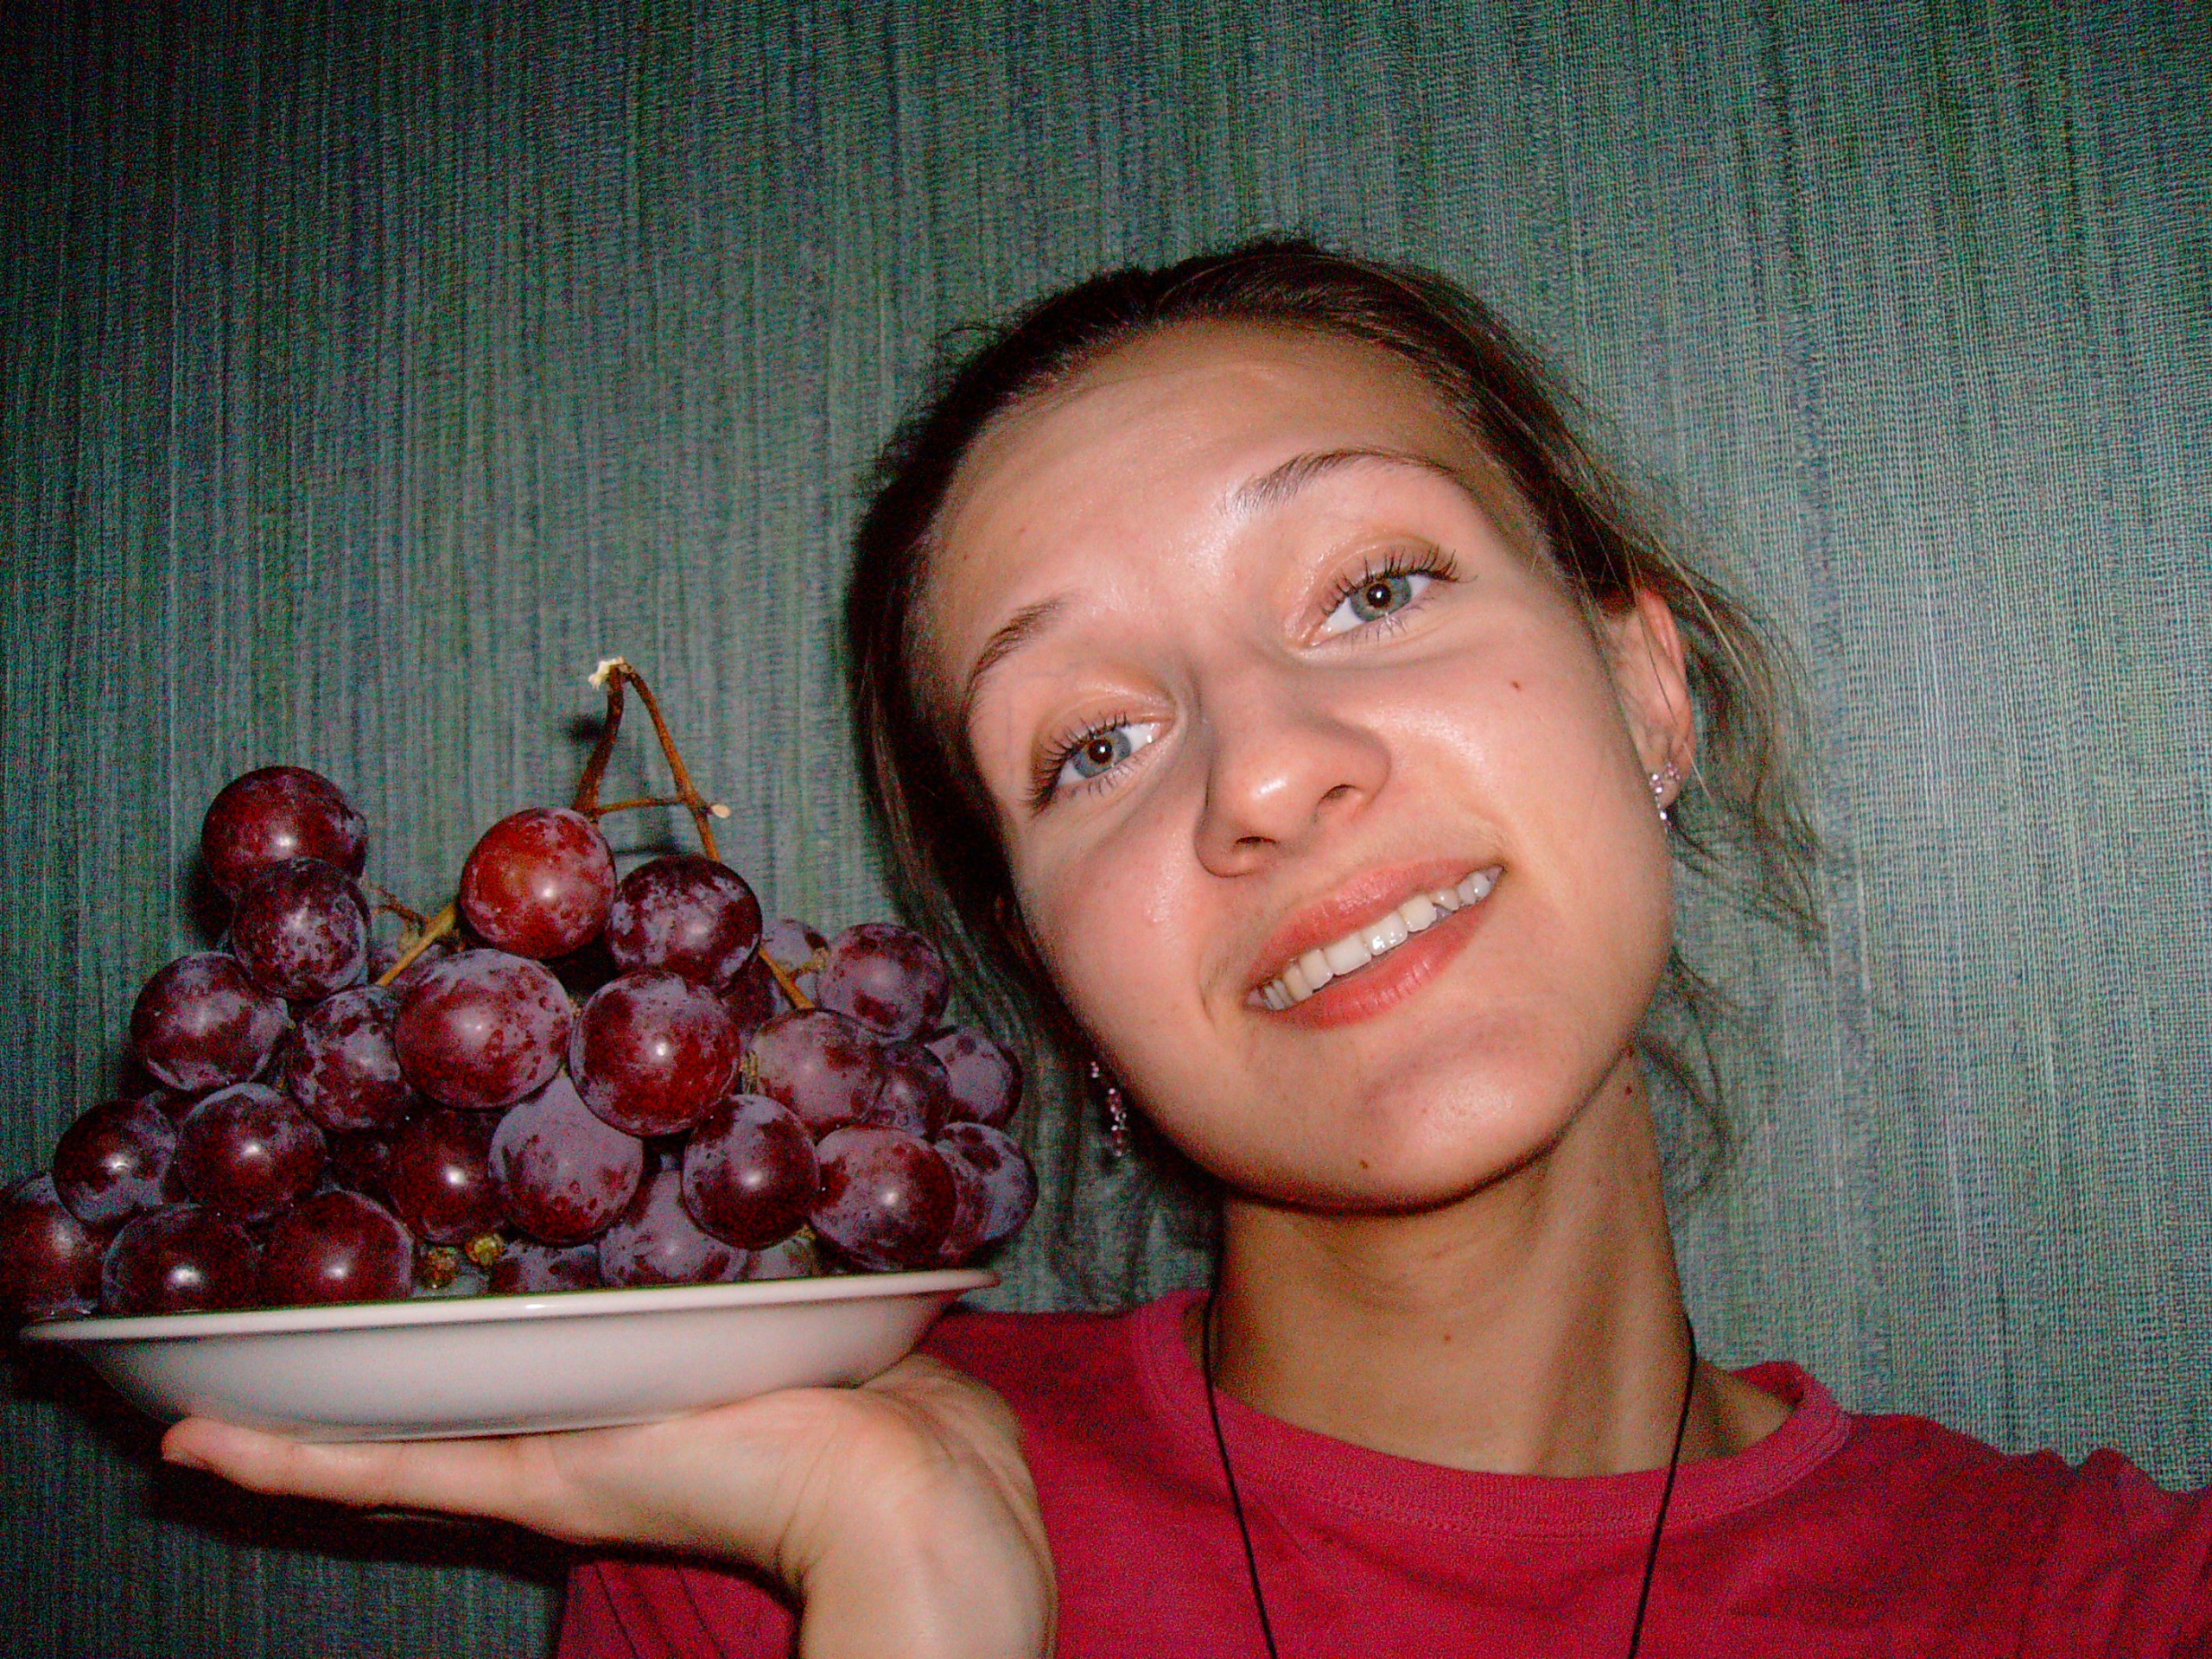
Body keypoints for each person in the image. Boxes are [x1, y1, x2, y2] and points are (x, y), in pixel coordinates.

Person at [161, 242, 2212, 1657]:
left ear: (1643, 689)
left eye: (1374, 586)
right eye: (1094, 747)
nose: (1267, 773)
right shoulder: (768, 1541)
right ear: (1051, 969)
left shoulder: (2094, 1602)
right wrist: (913, 1594)